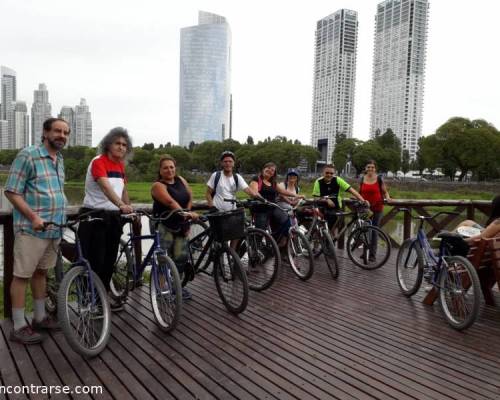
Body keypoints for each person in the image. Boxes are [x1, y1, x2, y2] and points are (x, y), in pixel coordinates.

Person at [5, 118, 70, 344]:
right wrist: (33, 217)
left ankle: (40, 317)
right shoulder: (28, 155)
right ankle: (19, 325)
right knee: (21, 276)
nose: (62, 135)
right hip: (31, 229)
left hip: (53, 229)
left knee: (41, 273)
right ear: (45, 132)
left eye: (65, 132)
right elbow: (12, 191)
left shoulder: (59, 159)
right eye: (57, 131)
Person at [78, 127, 133, 311]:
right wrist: (121, 205)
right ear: (108, 144)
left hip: (113, 217)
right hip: (94, 216)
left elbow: (122, 190)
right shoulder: (98, 161)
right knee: (95, 261)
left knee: (109, 261)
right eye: (117, 143)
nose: (121, 147)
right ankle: (88, 299)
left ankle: (101, 300)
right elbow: (105, 187)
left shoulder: (120, 165)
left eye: (124, 144)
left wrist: (129, 208)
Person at [151, 155, 198, 301]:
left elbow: (189, 196)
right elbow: (170, 202)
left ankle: (175, 286)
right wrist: (187, 214)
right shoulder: (157, 186)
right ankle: (161, 289)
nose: (169, 170)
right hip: (164, 224)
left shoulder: (181, 180)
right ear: (160, 170)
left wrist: (187, 216)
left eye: (171, 167)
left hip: (181, 223)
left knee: (181, 257)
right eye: (165, 167)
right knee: (164, 258)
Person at [249, 162, 304, 245]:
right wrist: (263, 200)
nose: (270, 171)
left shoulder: (273, 183)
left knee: (285, 220)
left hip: (272, 207)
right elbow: (254, 192)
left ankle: (278, 244)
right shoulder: (257, 179)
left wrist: (297, 195)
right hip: (261, 209)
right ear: (263, 169)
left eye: (272, 170)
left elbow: (283, 191)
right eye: (268, 168)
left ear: (274, 173)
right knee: (260, 231)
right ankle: (255, 248)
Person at [312, 164, 368, 230]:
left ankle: (333, 239)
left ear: (334, 173)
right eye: (327, 173)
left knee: (336, 230)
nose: (329, 175)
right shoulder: (318, 182)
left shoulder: (337, 180)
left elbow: (352, 190)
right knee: (324, 230)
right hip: (322, 209)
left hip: (336, 208)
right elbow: (316, 198)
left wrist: (363, 200)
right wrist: (326, 200)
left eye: (331, 173)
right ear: (323, 173)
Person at [358, 160, 391, 229]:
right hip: (365, 209)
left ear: (375, 169)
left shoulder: (379, 179)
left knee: (375, 230)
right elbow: (359, 193)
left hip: (377, 208)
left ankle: (374, 240)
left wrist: (388, 198)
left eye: (372, 167)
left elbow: (385, 192)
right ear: (365, 168)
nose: (370, 169)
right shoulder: (362, 179)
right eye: (368, 167)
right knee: (365, 230)